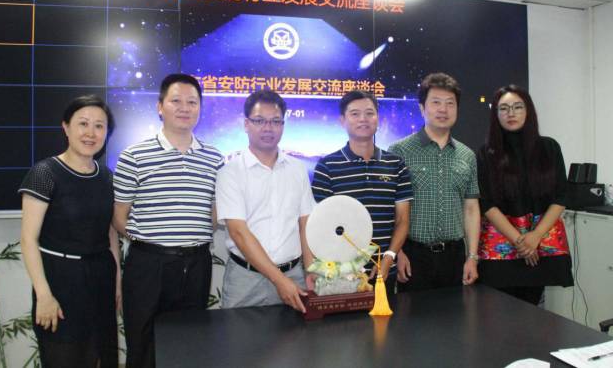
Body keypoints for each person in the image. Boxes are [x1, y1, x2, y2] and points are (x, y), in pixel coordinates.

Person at [113, 74, 224, 368]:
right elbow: (119, 218)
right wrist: (155, 243)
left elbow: (214, 215)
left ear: (200, 108)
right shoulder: (134, 156)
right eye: (176, 101)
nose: (184, 108)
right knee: (143, 345)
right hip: (148, 266)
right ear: (160, 106)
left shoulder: (214, 158)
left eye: (192, 102)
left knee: (189, 347)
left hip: (196, 264)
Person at [19, 95, 119, 367]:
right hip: (60, 280)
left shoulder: (106, 176)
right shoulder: (44, 173)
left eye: (99, 126)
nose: (91, 133)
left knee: (102, 354)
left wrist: (117, 280)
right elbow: (28, 240)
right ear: (66, 127)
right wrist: (44, 295)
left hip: (101, 276)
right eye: (83, 123)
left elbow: (110, 233)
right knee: (63, 356)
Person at [215, 89, 315, 313]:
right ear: (246, 124)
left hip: (294, 276)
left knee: (295, 336)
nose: (268, 128)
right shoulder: (230, 172)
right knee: (238, 335)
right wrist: (279, 280)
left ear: (283, 125)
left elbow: (305, 222)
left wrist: (310, 269)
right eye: (259, 120)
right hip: (245, 279)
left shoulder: (297, 169)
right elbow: (239, 232)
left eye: (275, 121)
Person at [476, 85, 573, 305]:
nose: (511, 113)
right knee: (497, 314)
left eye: (518, 107)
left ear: (528, 111)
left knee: (533, 312)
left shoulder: (549, 147)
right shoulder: (486, 153)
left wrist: (536, 236)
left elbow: (560, 196)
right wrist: (520, 242)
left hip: (540, 245)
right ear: (495, 114)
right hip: (501, 251)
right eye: (504, 108)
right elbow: (486, 203)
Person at [311, 91, 413, 295]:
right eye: (355, 114)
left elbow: (402, 220)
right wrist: (343, 267)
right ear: (342, 120)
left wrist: (389, 256)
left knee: (388, 316)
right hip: (342, 274)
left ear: (378, 118)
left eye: (369, 113)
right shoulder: (327, 166)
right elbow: (319, 225)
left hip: (385, 270)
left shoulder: (396, 164)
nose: (363, 119)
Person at [388, 72, 480, 291]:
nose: (443, 109)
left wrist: (472, 256)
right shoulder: (400, 151)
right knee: (412, 313)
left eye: (450, 103)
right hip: (413, 256)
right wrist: (397, 252)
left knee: (455, 312)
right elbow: (389, 207)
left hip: (455, 257)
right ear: (422, 108)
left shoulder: (467, 155)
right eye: (436, 102)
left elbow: (471, 208)